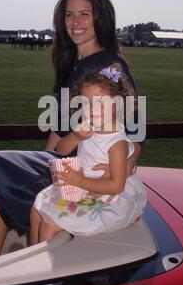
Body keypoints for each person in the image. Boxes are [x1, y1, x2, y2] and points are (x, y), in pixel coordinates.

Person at [0, 0, 143, 272]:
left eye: (85, 14)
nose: (76, 23)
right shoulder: (76, 64)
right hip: (61, 161)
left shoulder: (108, 66)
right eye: (69, 15)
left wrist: (126, 162)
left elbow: (136, 132)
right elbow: (61, 126)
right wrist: (45, 160)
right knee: (0, 199)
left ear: (101, 18)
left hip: (80, 170)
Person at [30, 64, 147, 243]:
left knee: (49, 225)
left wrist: (79, 181)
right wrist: (76, 136)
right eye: (86, 103)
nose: (92, 109)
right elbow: (61, 150)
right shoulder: (88, 127)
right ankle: (32, 257)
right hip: (83, 184)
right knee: (36, 211)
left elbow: (116, 186)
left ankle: (48, 268)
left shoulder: (117, 143)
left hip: (106, 196)